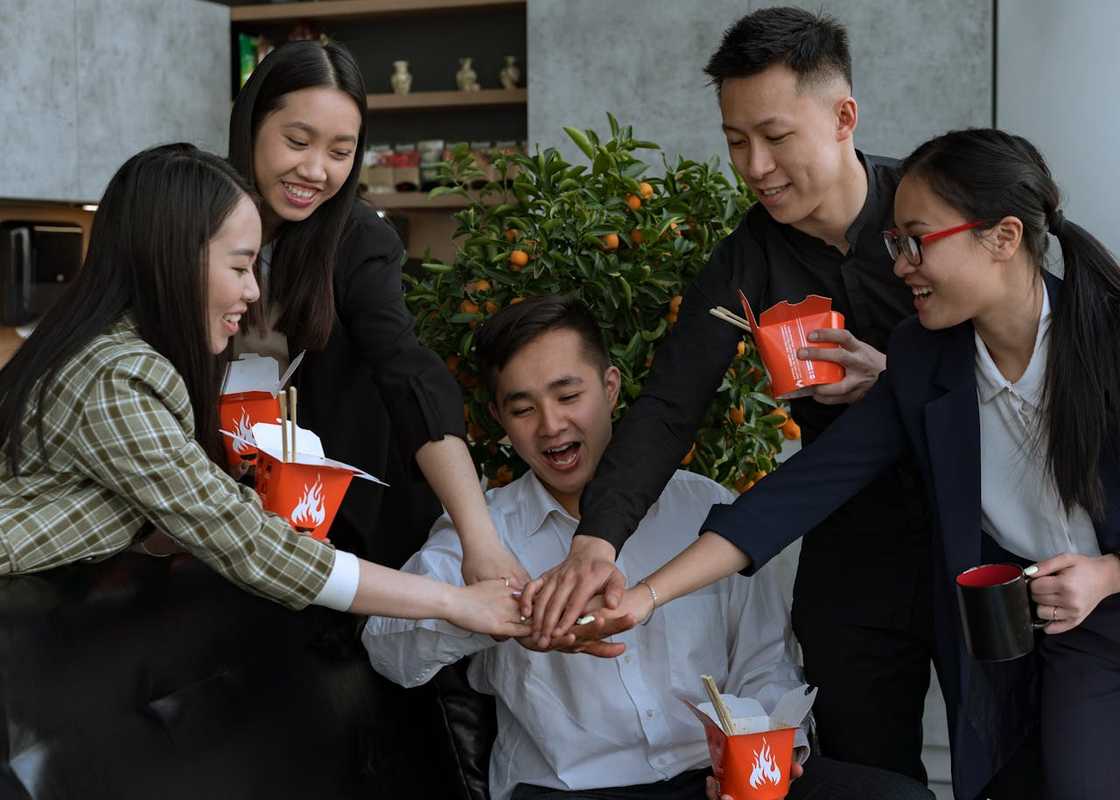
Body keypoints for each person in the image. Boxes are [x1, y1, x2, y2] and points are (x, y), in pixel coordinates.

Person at [586, 128, 1120, 800]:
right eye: (895, 243)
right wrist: (642, 597)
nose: (901, 267)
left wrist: (1108, 574)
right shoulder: (926, 358)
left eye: (917, 241)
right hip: (1005, 621)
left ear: (1003, 237)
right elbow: (798, 491)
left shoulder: (1105, 337)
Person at [526, 7, 935, 783]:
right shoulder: (744, 261)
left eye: (775, 137)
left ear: (843, 117)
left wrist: (894, 378)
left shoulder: (929, 215)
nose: (754, 165)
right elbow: (670, 408)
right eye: (735, 141)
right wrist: (597, 540)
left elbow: (1016, 359)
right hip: (845, 537)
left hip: (968, 520)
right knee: (861, 769)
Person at [362, 296, 935, 800]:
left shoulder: (701, 508)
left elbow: (766, 660)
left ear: (610, 388)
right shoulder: (482, 531)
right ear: (499, 420)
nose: (551, 425)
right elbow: (389, 654)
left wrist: (764, 752)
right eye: (522, 408)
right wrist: (480, 616)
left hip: (714, 776)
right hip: (570, 790)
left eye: (568, 394)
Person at [0, 143, 529, 641]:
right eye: (239, 266)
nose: (252, 291)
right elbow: (246, 542)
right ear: (173, 259)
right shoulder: (115, 377)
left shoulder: (108, 354)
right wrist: (453, 602)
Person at [228, 40, 527, 583]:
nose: (315, 170)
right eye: (297, 141)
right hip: (217, 501)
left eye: (341, 153)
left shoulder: (360, 240)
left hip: (339, 521)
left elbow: (405, 368)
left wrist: (477, 538)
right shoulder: (193, 221)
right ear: (250, 126)